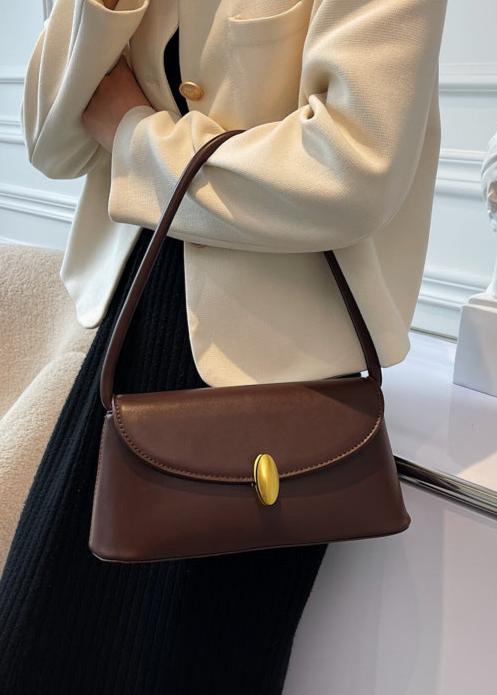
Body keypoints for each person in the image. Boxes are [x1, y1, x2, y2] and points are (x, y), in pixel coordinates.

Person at [0, 1, 448, 692]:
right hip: (134, 323)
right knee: (36, 641)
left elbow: (351, 170)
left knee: (187, 664)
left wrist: (132, 133)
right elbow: (49, 142)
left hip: (273, 369)